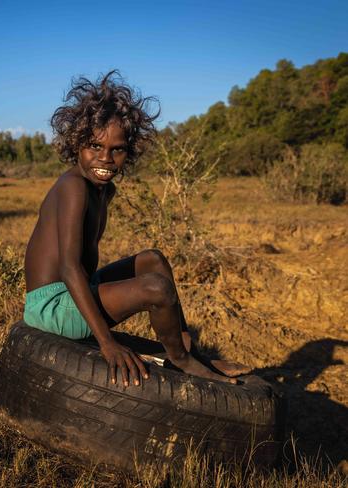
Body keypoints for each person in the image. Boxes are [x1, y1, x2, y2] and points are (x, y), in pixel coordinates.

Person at [23, 71, 249, 388]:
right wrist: (107, 343)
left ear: (129, 151)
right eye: (95, 146)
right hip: (51, 308)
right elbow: (69, 267)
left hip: (78, 289)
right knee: (156, 288)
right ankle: (181, 362)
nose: (105, 158)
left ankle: (187, 351)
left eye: (117, 149)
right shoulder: (73, 186)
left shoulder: (104, 190)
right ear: (76, 143)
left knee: (152, 260)